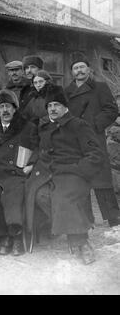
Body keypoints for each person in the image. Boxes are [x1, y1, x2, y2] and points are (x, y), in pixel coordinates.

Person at [25, 86, 103, 265]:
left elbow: (95, 154)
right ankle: (58, 227)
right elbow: (39, 148)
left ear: (65, 107)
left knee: (64, 197)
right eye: (50, 105)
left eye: (57, 105)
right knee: (38, 194)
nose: (52, 109)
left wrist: (78, 169)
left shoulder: (79, 125)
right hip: (47, 171)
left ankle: (81, 242)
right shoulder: (44, 126)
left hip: (72, 172)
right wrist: (31, 163)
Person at [64, 52, 120, 227]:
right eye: (75, 68)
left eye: (82, 67)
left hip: (94, 138)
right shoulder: (67, 92)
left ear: (88, 69)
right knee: (80, 177)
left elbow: (111, 110)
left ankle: (113, 218)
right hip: (75, 140)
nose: (79, 71)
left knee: (101, 177)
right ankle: (86, 219)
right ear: (72, 72)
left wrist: (94, 124)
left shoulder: (100, 87)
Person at [0, 89, 38, 256]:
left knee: (14, 196)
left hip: (19, 173)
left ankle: (16, 236)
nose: (5, 111)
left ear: (15, 109)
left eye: (8, 106)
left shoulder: (27, 127)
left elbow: (38, 148)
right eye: (1, 107)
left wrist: (31, 164)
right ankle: (4, 236)